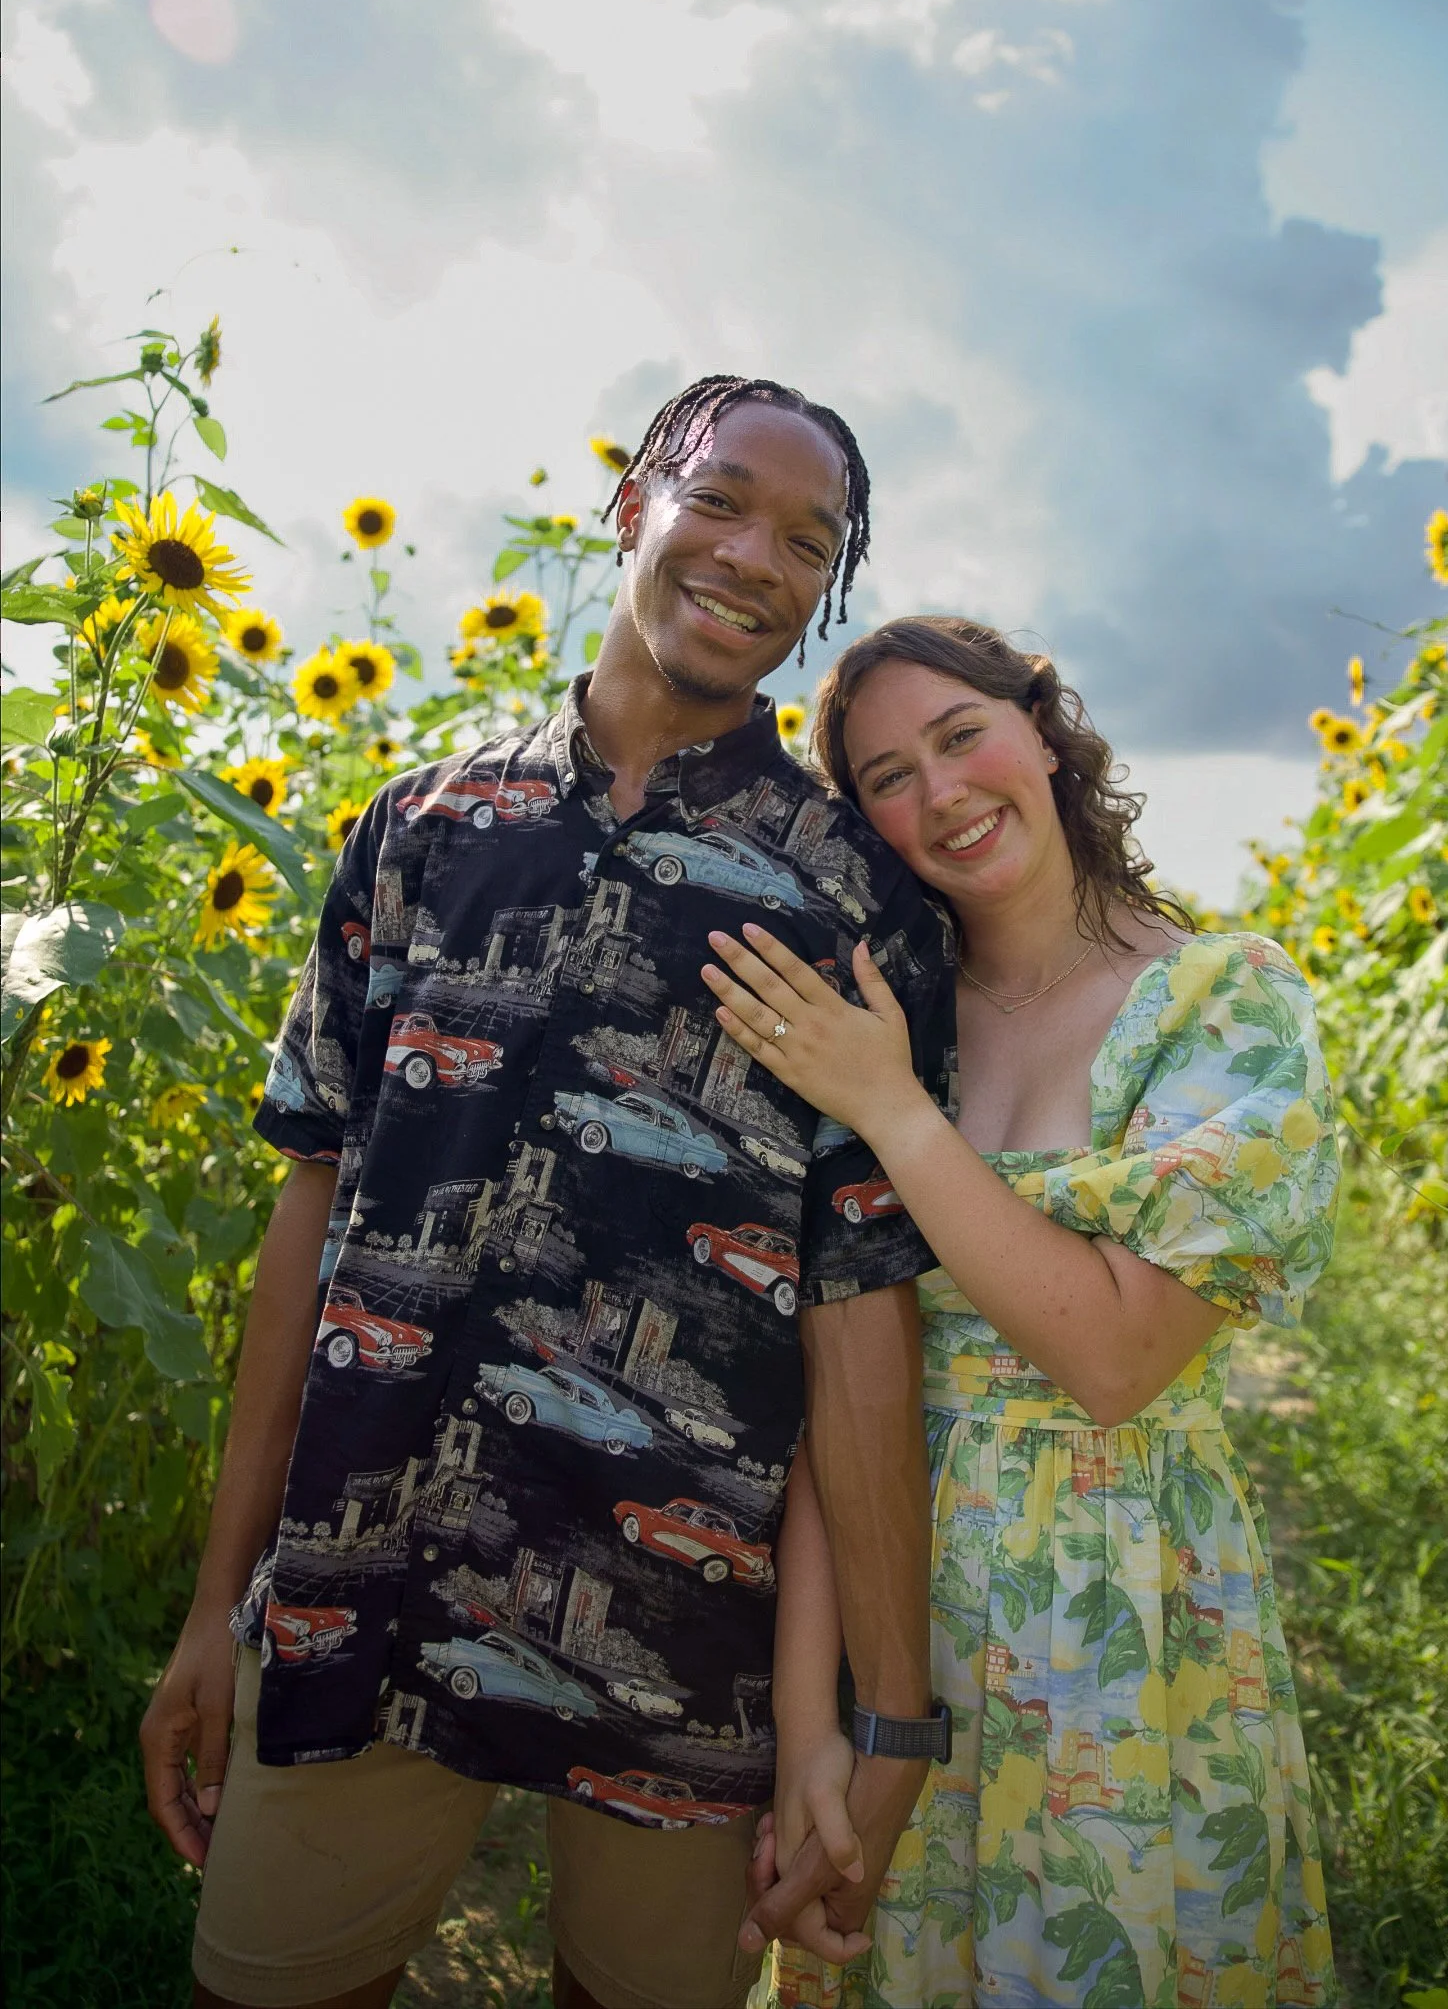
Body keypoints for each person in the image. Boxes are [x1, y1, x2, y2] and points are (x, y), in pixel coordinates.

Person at [139, 381, 956, 2009]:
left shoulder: (856, 904)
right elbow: (312, 1219)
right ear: (634, 499)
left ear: (830, 590)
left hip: (684, 1638)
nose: (755, 560)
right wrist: (217, 1605)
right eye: (720, 501)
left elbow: (860, 1312)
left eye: (810, 541)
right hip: (364, 1578)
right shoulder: (423, 833)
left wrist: (888, 1711)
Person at [703, 616, 1340, 2007]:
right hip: (896, 1592)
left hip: (1120, 1617)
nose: (940, 794)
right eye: (885, 776)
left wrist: (888, 1107)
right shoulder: (889, 1009)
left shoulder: (1222, 1002)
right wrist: (820, 1727)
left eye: (960, 736)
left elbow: (1116, 1354)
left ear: (1042, 731)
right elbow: (843, 1376)